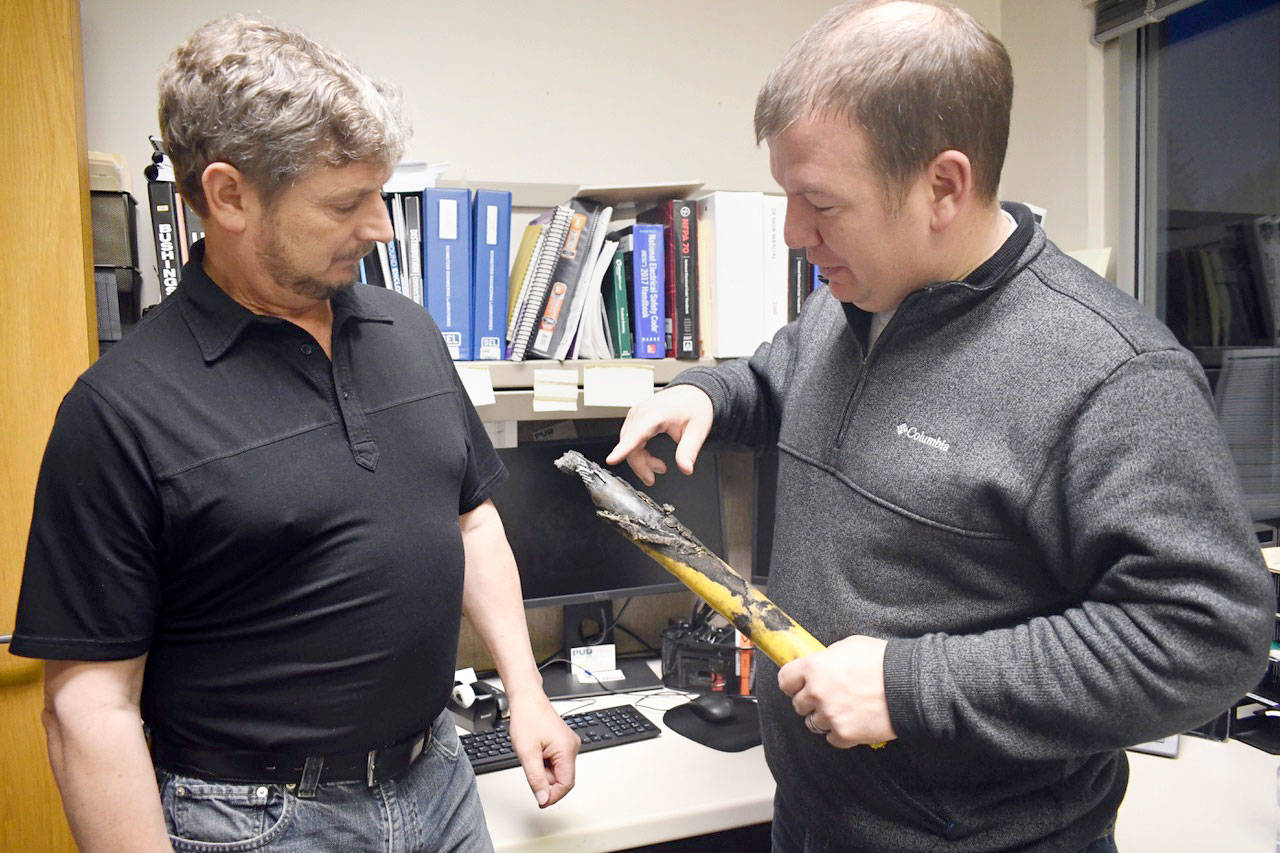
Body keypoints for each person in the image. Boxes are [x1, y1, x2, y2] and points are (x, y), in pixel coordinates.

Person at [608, 2, 1273, 850]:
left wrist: (911, 684)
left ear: (944, 186)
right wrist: (707, 393)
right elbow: (781, 372)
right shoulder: (856, 295)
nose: (792, 232)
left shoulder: (1110, 374)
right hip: (811, 822)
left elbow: (1207, 636)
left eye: (818, 202)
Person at [10, 15, 577, 851]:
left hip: (440, 782)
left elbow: (471, 517)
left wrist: (526, 689)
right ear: (230, 195)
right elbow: (89, 705)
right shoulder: (118, 412)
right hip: (256, 821)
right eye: (347, 202)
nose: (380, 226)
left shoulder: (409, 331)